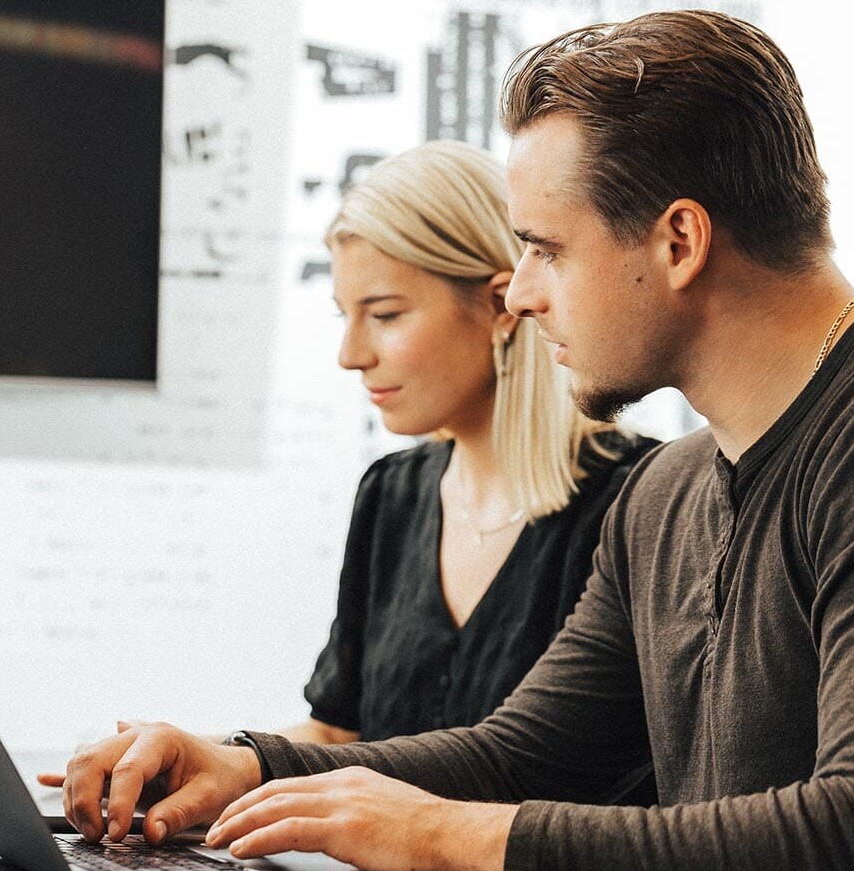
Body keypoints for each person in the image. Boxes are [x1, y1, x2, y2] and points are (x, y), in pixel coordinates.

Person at [59, 11, 854, 871]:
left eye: (545, 250)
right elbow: (531, 751)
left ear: (679, 241)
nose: (519, 293)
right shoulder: (673, 492)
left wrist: (444, 835)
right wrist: (251, 767)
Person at [43, 141, 654, 786]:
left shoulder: (639, 502)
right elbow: (338, 731)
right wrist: (185, 761)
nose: (351, 354)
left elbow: (562, 773)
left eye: (385, 315)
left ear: (501, 307)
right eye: (345, 317)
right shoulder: (392, 494)